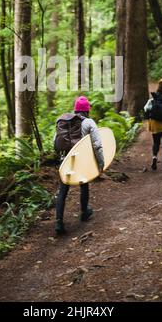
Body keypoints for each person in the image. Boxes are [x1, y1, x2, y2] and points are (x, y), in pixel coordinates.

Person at [54, 96, 105, 236]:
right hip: (81, 161)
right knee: (84, 183)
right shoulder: (88, 122)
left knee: (63, 191)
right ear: (87, 110)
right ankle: (84, 212)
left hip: (66, 160)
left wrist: (61, 159)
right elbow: (98, 145)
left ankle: (59, 222)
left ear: (75, 109)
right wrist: (101, 163)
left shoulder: (63, 121)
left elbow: (55, 142)